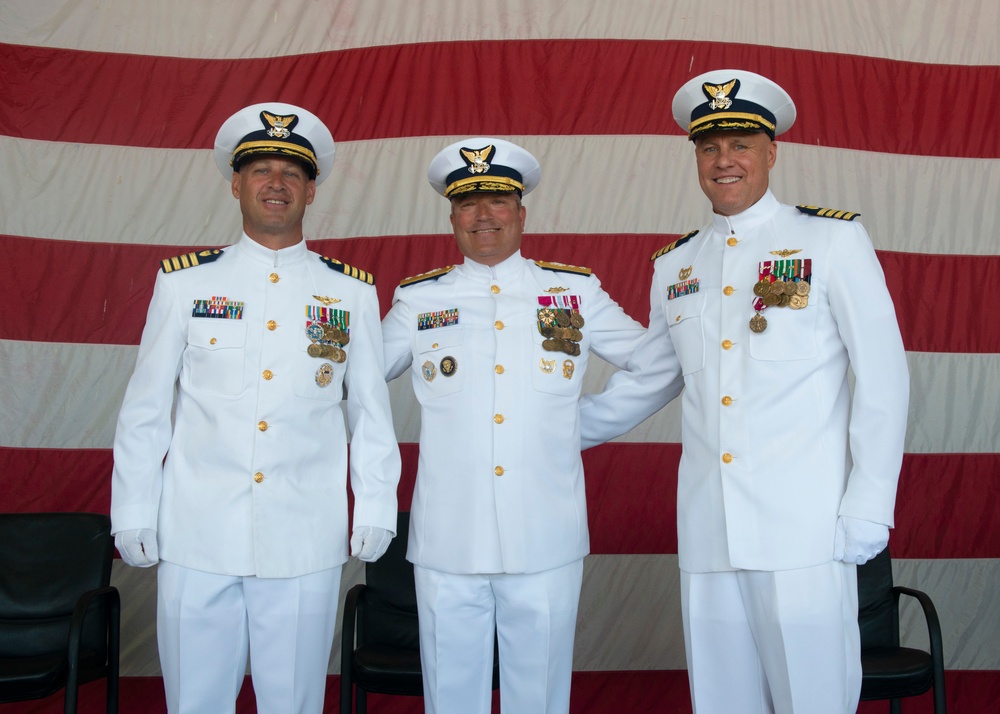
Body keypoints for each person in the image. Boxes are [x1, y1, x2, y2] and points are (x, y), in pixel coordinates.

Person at [578, 70, 910, 713]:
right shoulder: (675, 265)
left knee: (811, 700)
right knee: (724, 703)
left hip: (804, 528)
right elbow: (654, 376)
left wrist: (871, 500)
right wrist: (553, 432)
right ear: (696, 157)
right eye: (709, 148)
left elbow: (884, 375)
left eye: (741, 144)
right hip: (709, 528)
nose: (724, 160)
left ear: (771, 151)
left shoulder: (830, 239)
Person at [110, 102, 401, 714]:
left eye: (291, 173)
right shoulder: (184, 283)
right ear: (236, 183)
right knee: (194, 703)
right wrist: (132, 508)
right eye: (262, 169)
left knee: (292, 705)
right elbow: (145, 408)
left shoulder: (350, 292)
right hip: (196, 534)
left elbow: (370, 411)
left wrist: (375, 502)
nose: (276, 183)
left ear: (312, 190)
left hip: (304, 538)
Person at [381, 138, 646, 714]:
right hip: (449, 541)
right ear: (452, 216)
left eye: (498, 200)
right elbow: (356, 381)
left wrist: (579, 425)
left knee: (541, 700)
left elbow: (659, 363)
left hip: (545, 535)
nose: (484, 215)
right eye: (469, 202)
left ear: (521, 213)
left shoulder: (575, 292)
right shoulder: (420, 300)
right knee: (451, 699)